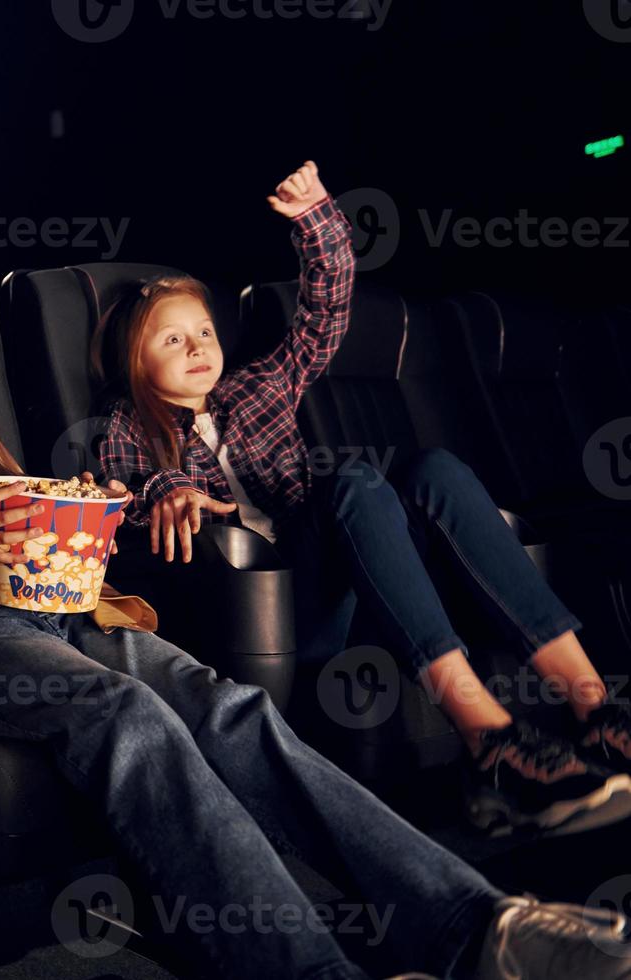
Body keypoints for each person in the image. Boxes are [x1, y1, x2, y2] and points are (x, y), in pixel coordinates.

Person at [0, 292, 631, 980]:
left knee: (233, 708)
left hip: (69, 609)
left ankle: (477, 925)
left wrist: (80, 515)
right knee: (128, 715)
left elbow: (36, 521)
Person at [97, 160, 631, 837]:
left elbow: (326, 309)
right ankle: (492, 744)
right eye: (172, 339)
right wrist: (168, 487)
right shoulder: (123, 421)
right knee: (352, 482)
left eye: (203, 330)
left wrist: (318, 217)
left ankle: (596, 712)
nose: (198, 346)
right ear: (134, 360)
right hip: (278, 609)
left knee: (435, 468)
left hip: (360, 581)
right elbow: (126, 491)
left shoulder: (259, 386)